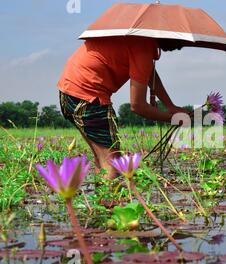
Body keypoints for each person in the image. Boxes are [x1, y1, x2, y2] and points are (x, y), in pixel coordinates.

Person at [57, 36, 189, 179]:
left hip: (68, 91)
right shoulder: (143, 47)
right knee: (113, 164)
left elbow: (148, 72)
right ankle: (109, 200)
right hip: (88, 96)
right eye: (180, 40)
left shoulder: (136, 40)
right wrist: (173, 118)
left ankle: (102, 199)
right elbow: (138, 106)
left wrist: (170, 106)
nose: (181, 45)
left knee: (103, 161)